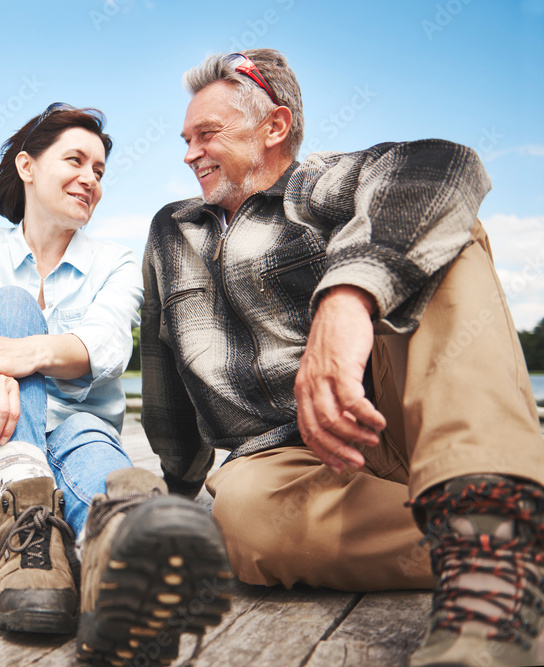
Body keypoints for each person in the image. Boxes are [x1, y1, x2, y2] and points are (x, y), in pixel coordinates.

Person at [142, 48, 544, 667]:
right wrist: (175, 493)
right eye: (185, 138)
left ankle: (492, 579)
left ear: (274, 127)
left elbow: (444, 164)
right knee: (241, 515)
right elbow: (165, 378)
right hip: (292, 461)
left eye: (208, 134)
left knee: (443, 229)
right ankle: (502, 540)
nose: (189, 152)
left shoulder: (318, 184)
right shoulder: (172, 231)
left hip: (406, 426)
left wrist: (349, 295)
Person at [0, 104, 232, 665]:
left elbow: (105, 345)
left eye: (100, 170)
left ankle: (116, 556)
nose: (91, 178)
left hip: (72, 446)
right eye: (76, 160)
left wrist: (16, 355)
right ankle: (31, 503)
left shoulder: (114, 263)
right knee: (11, 306)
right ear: (27, 167)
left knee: (85, 428)